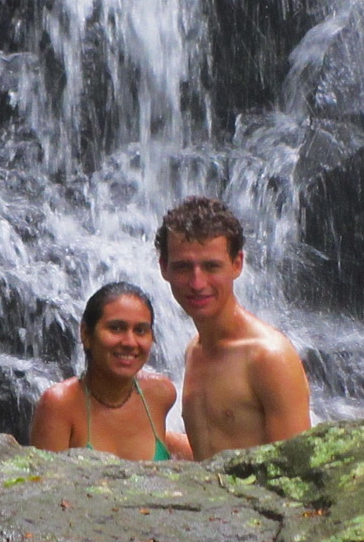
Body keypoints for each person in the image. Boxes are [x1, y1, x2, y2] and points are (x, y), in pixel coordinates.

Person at [156, 196, 311, 460]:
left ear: (237, 264)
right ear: (164, 268)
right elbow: (213, 453)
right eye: (183, 267)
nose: (197, 282)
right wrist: (148, 431)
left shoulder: (269, 357)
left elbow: (297, 469)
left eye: (211, 266)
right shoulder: (194, 350)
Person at [30, 282, 192, 460]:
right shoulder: (59, 406)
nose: (130, 342)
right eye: (116, 328)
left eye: (140, 330)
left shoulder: (160, 393)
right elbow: (46, 483)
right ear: (86, 333)